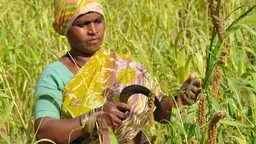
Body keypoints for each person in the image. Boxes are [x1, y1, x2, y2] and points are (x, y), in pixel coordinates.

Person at [34, 0, 202, 143]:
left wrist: (178, 99)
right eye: (83, 24)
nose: (93, 30)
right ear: (66, 29)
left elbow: (158, 112)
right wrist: (94, 117)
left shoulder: (125, 65)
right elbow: (44, 130)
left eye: (98, 21)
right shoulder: (54, 75)